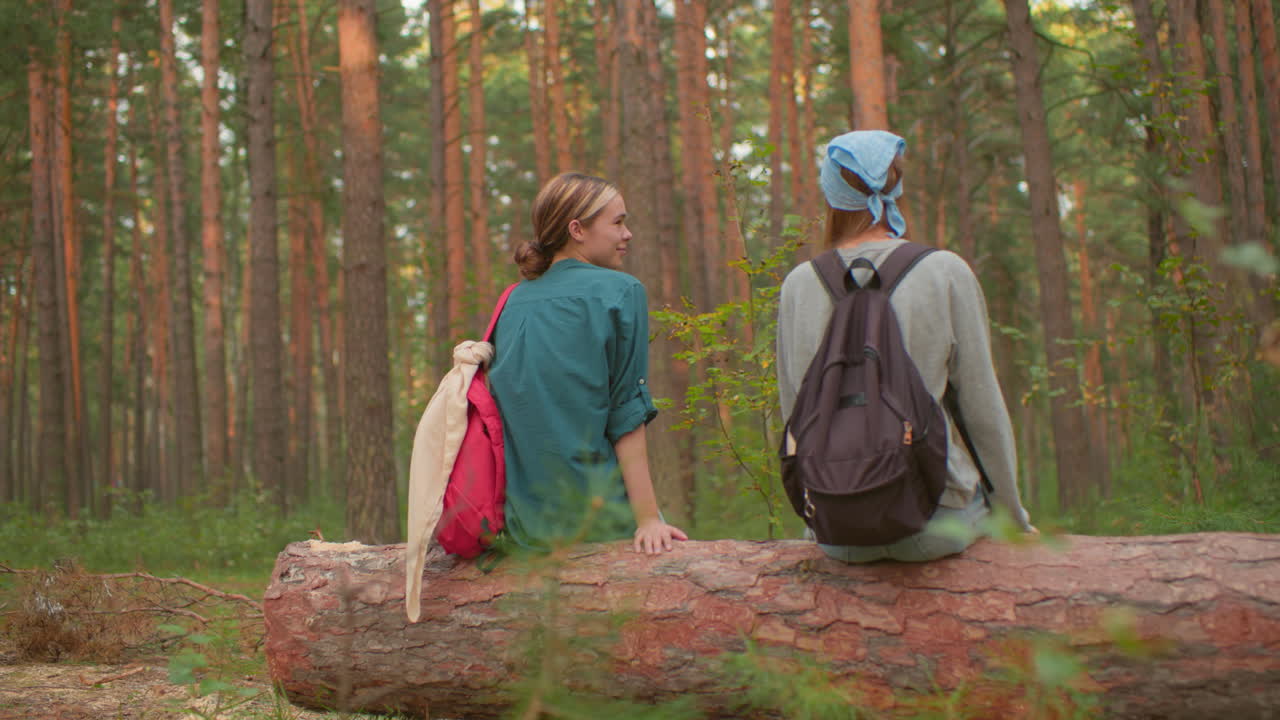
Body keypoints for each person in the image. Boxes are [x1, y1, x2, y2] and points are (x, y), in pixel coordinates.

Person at [776, 130, 1035, 562]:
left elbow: (796, 412)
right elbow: (980, 406)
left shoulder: (798, 285)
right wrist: (1012, 516)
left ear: (832, 195)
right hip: (936, 520)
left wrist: (816, 517)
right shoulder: (944, 271)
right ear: (895, 187)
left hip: (838, 530)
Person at [488, 172, 688, 555]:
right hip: (601, 522)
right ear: (577, 229)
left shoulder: (512, 301)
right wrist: (648, 519)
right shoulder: (621, 292)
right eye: (618, 222)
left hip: (522, 528)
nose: (627, 234)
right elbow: (626, 413)